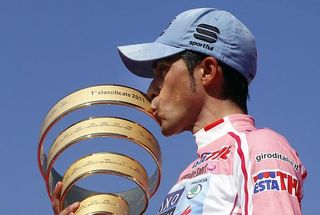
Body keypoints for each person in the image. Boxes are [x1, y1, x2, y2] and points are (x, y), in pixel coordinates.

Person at [52, 8, 307, 215]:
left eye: (162, 71)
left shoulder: (259, 146)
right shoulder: (186, 176)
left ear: (207, 71)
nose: (151, 90)